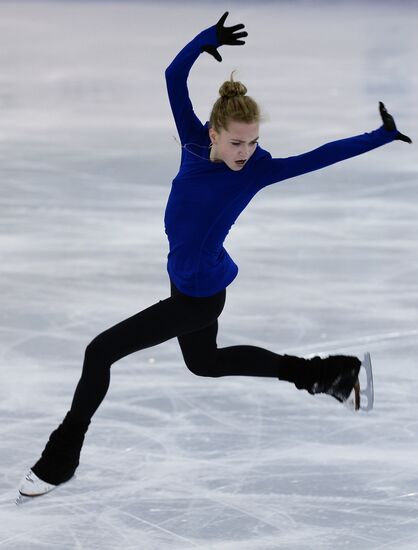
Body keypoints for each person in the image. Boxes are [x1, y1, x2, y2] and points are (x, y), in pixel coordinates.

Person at [19, 12, 412, 498]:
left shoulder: (253, 172)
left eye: (253, 141)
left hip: (199, 294)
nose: (246, 150)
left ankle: (59, 460)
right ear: (214, 133)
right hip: (189, 280)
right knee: (204, 363)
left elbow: (319, 156)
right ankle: (326, 373)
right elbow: (172, 77)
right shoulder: (190, 140)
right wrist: (205, 40)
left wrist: (379, 136)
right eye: (236, 141)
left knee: (99, 352)